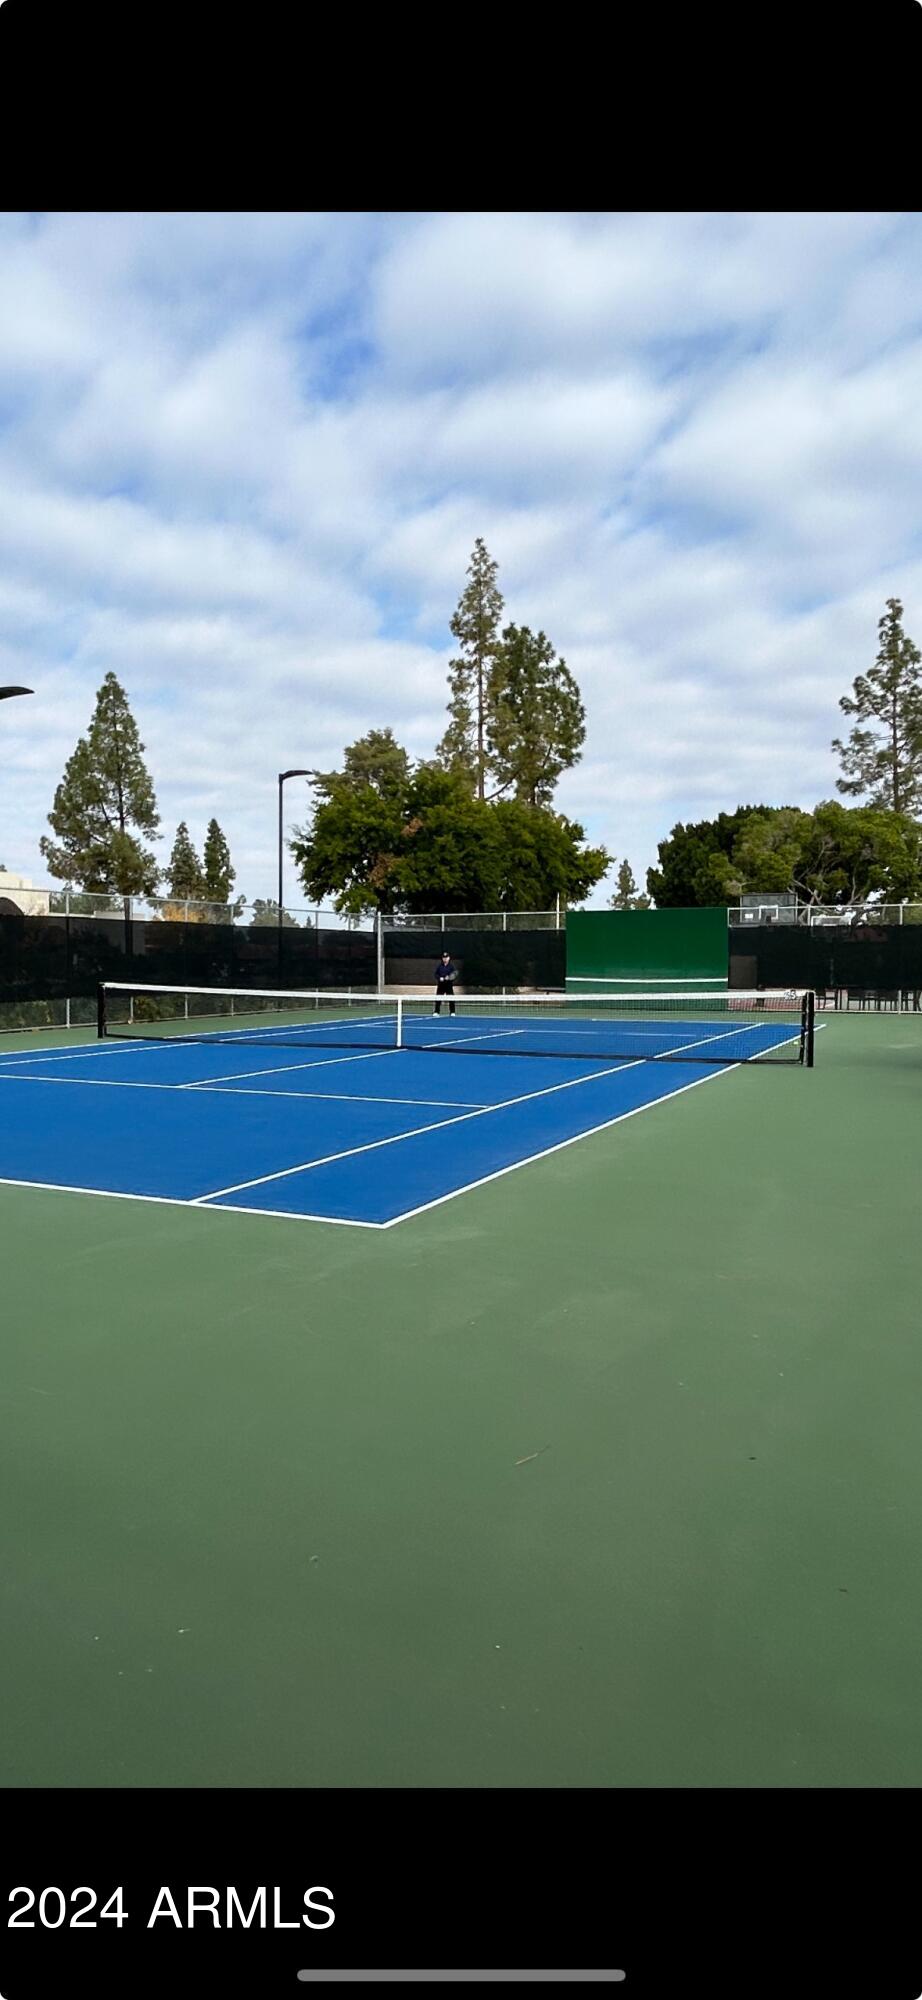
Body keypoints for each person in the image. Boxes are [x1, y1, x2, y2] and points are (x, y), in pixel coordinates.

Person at [433, 949, 458, 1016]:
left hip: (448, 985)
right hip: (441, 985)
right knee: (438, 998)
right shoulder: (439, 966)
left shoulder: (451, 966)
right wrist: (439, 978)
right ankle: (436, 1012)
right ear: (442, 958)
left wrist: (449, 978)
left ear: (449, 958)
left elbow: (454, 974)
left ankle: (452, 1012)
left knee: (451, 998)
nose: (445, 959)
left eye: (446, 957)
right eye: (444, 957)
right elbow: (436, 974)